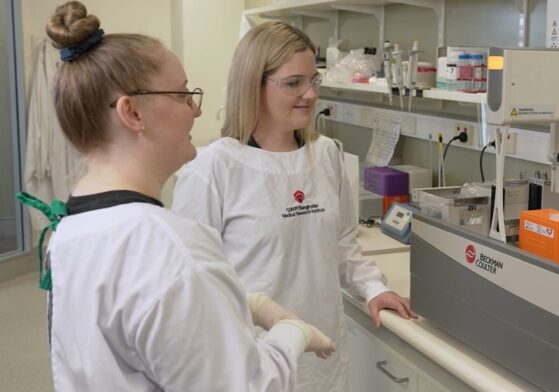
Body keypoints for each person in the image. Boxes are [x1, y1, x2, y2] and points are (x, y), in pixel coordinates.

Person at [29, 3, 335, 391]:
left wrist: (243, 302)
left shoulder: (69, 232)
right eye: (182, 95)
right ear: (132, 113)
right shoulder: (173, 250)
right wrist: (292, 334)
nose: (195, 109)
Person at [172, 21, 417, 391]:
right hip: (250, 361)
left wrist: (371, 287)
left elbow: (342, 242)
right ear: (253, 85)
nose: (309, 94)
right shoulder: (214, 169)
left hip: (322, 352)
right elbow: (193, 287)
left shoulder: (327, 154)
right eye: (293, 84)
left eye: (313, 81)